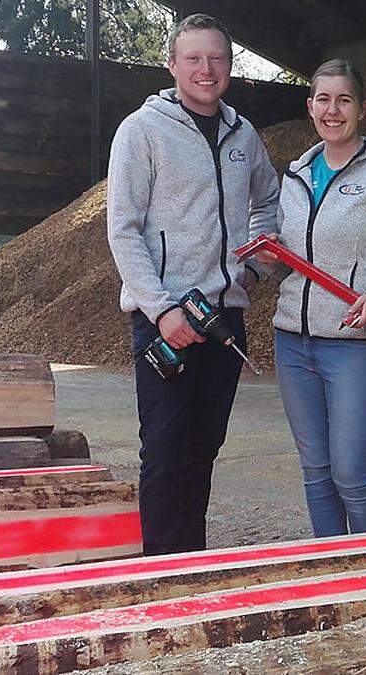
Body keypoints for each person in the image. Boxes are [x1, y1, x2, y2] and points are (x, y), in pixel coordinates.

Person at [106, 13, 279, 555]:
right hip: (166, 321)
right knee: (163, 449)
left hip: (224, 315)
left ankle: (191, 564)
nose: (207, 70)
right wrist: (160, 309)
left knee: (203, 447)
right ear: (172, 64)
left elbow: (268, 205)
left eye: (217, 59)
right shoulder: (142, 130)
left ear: (230, 65)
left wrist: (250, 270)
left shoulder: (242, 134)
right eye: (194, 59)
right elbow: (123, 227)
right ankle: (160, 575)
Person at [255, 59, 366, 537]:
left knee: (351, 474)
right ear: (310, 107)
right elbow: (287, 254)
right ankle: (333, 574)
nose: (333, 110)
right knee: (316, 474)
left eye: (344, 100)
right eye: (323, 100)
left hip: (355, 345)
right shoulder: (293, 176)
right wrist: (266, 259)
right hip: (292, 342)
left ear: (362, 108)